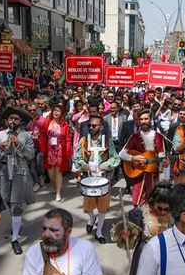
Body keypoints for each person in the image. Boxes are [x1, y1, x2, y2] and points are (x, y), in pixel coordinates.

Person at [0, 107, 35, 255]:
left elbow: (30, 155)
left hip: (19, 173)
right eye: (11, 119)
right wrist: (0, 148)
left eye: (16, 119)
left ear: (20, 121)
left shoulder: (26, 135)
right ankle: (16, 221)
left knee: (16, 204)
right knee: (6, 201)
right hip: (3, 173)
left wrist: (19, 144)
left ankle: (15, 238)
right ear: (7, 121)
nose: (13, 121)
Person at [74, 113, 120, 243]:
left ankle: (99, 232)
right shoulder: (83, 141)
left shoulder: (107, 142)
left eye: (94, 125)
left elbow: (115, 158)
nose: (91, 127)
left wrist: (106, 165)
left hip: (103, 179)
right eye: (89, 125)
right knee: (88, 207)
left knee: (102, 207)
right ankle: (91, 218)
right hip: (88, 179)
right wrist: (84, 165)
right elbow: (77, 158)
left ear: (101, 127)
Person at [119, 109, 168, 206]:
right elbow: (121, 154)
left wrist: (164, 163)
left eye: (146, 119)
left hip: (153, 175)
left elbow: (162, 156)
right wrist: (133, 158)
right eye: (141, 119)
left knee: (153, 202)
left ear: (151, 120)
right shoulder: (134, 137)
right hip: (138, 175)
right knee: (137, 202)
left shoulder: (158, 137)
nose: (143, 121)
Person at [40, 103, 72, 202]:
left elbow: (67, 139)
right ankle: (54, 185)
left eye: (58, 111)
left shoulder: (65, 124)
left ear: (62, 113)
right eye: (55, 110)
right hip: (49, 149)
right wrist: (42, 148)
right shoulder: (47, 121)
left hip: (60, 150)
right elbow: (42, 135)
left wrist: (67, 152)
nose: (56, 112)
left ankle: (58, 192)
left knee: (58, 172)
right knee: (50, 172)